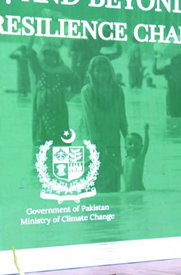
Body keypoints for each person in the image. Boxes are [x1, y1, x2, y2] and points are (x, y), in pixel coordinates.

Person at [80, 55, 128, 193]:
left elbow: (122, 117)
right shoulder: (87, 91)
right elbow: (89, 119)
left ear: (110, 72)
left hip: (113, 139)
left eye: (105, 71)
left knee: (112, 184)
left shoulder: (118, 91)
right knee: (91, 181)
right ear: (92, 73)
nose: (102, 74)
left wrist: (127, 138)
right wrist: (97, 142)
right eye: (98, 71)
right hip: (92, 141)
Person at [27, 40, 76, 156]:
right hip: (42, 109)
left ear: (56, 55)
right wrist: (31, 41)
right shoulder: (38, 68)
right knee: (41, 142)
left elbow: (77, 83)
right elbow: (29, 54)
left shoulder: (64, 70)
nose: (49, 56)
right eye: (46, 54)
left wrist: (69, 95)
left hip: (59, 108)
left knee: (60, 141)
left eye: (52, 54)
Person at [123, 124, 150, 191]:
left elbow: (146, 146)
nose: (133, 146)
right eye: (130, 143)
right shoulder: (126, 161)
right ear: (125, 147)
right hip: (128, 193)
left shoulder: (139, 158)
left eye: (136, 144)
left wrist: (146, 131)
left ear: (141, 146)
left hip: (139, 191)